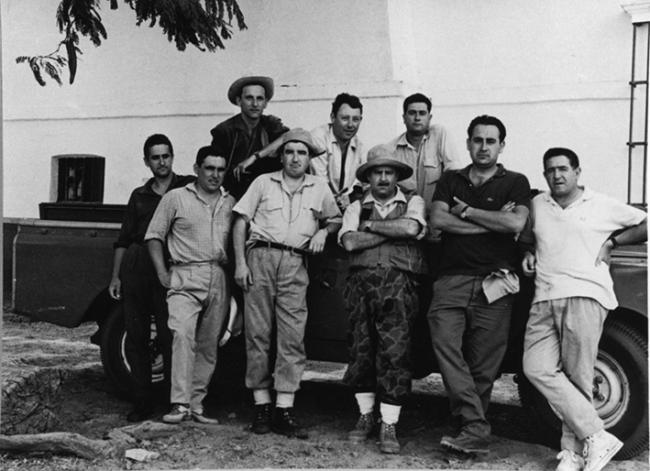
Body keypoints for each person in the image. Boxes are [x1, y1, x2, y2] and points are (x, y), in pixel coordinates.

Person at [521, 148, 647, 471]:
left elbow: (645, 224)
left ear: (578, 172)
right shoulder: (538, 205)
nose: (557, 175)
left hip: (584, 295)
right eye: (550, 170)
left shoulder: (601, 204)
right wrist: (528, 250)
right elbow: (527, 235)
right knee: (536, 367)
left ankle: (573, 453)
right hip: (544, 297)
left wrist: (614, 243)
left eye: (563, 169)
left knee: (578, 377)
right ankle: (596, 434)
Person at [428, 115, 531, 454]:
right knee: (446, 348)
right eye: (477, 140)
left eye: (491, 141)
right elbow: (438, 218)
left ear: (502, 145)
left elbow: (516, 221)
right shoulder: (450, 179)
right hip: (451, 279)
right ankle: (475, 425)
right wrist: (494, 223)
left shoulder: (516, 182)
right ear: (469, 141)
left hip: (496, 283)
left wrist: (468, 212)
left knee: (485, 365)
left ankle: (468, 428)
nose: (483, 146)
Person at [232, 128, 341, 439]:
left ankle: (284, 408)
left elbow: (334, 218)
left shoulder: (319, 187)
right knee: (258, 334)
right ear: (282, 156)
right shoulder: (263, 182)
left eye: (302, 153)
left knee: (292, 335)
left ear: (309, 159)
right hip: (261, 259)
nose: (296, 157)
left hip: (295, 262)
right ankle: (261, 406)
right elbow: (240, 221)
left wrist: (323, 231)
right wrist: (240, 263)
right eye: (290, 151)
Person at [339, 145, 428, 454]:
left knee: (395, 350)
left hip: (399, 285)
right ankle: (365, 417)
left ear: (397, 176)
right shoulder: (356, 206)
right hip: (360, 286)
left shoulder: (413, 202)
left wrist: (373, 227)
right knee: (361, 349)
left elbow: (411, 227)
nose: (383, 178)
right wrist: (393, 233)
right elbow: (350, 241)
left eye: (389, 172)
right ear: (369, 176)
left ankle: (388, 424)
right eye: (378, 172)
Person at [145, 146, 236, 424]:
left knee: (208, 344)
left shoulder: (230, 201)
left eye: (220, 170)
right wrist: (162, 273)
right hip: (185, 275)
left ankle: (196, 405)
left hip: (218, 276)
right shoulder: (176, 198)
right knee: (183, 336)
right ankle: (179, 404)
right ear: (197, 169)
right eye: (209, 168)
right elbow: (154, 236)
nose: (215, 175)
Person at [108, 134, 195, 422]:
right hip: (137, 265)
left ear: (173, 157)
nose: (162, 162)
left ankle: (174, 402)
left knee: (172, 334)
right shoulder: (139, 195)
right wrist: (116, 278)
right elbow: (123, 240)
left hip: (170, 267)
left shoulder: (187, 187)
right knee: (137, 336)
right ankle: (142, 400)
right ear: (147, 161)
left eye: (166, 156)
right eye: (155, 157)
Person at [385, 93, 462, 233]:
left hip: (437, 226)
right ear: (403, 118)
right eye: (412, 113)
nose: (417, 118)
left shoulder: (440, 134)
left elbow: (454, 174)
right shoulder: (392, 149)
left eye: (422, 113)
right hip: (406, 226)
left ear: (429, 117)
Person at [210, 75, 289, 199]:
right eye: (249, 98)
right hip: (236, 194)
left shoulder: (270, 124)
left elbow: (292, 136)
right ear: (238, 101)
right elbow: (217, 169)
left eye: (260, 99)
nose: (255, 104)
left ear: (266, 103)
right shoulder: (224, 131)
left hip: (269, 194)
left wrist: (255, 156)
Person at [310, 93, 365, 211]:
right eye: (345, 118)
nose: (350, 125)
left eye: (355, 119)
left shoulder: (359, 145)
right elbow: (320, 183)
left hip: (342, 207)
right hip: (316, 205)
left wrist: (350, 198)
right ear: (333, 117)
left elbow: (363, 182)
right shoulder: (318, 138)